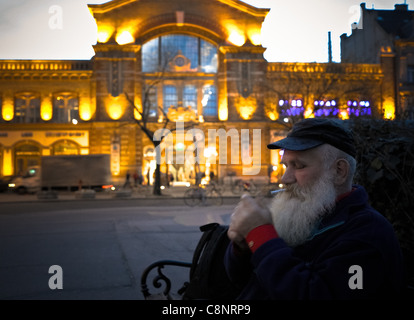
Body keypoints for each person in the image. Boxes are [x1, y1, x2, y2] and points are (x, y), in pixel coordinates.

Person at [225, 118, 405, 299]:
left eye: (299, 166)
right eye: (286, 166)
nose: (285, 179)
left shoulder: (368, 233)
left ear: (339, 171)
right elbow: (241, 280)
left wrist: (261, 236)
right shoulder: (302, 214)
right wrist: (243, 246)